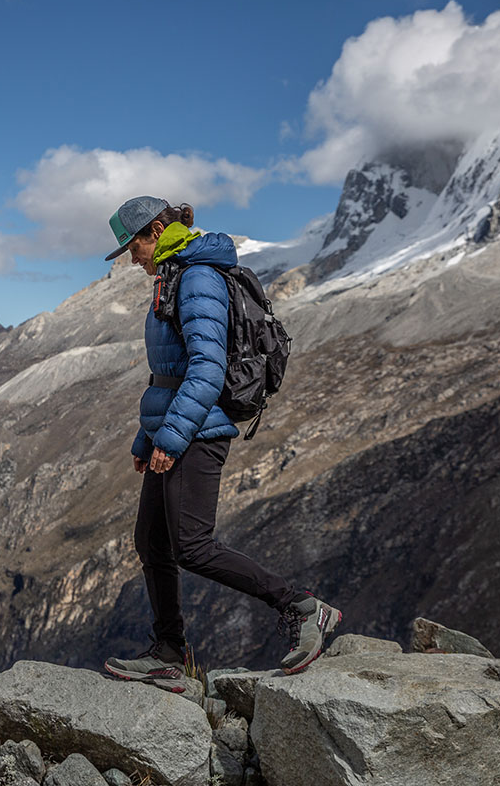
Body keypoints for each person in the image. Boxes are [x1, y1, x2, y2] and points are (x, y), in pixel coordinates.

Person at [100, 195, 341, 685]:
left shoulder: (197, 278)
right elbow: (170, 372)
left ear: (157, 231)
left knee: (192, 546)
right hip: (178, 427)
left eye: (134, 246)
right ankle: (168, 651)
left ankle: (302, 606)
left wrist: (171, 436)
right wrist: (148, 438)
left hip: (197, 432)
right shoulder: (175, 275)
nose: (132, 258)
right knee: (151, 540)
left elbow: (207, 370)